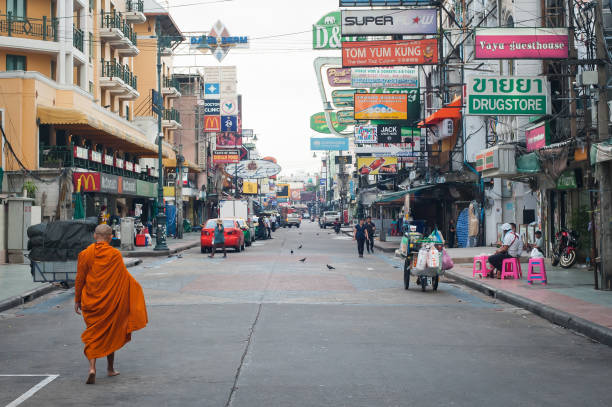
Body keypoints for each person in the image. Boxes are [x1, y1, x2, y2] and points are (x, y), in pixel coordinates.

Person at [74, 224, 148, 384]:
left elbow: (80, 279)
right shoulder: (114, 254)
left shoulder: (85, 254)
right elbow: (125, 278)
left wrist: (77, 299)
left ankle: (92, 368)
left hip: (91, 302)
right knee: (111, 332)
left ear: (95, 236)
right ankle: (110, 368)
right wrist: (136, 290)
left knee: (93, 333)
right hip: (110, 302)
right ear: (110, 237)